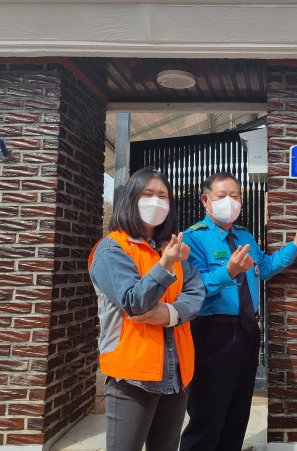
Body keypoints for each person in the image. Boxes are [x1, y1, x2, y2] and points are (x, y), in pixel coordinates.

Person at [180, 171, 297, 451]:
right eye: (222, 195)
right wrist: (228, 271)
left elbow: (266, 267)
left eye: (235, 195)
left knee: (238, 410)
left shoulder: (245, 236)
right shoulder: (193, 238)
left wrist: (295, 246)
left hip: (248, 329)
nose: (230, 201)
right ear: (205, 200)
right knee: (208, 411)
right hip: (213, 332)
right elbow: (194, 287)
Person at [88, 167, 205, 451]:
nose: (156, 201)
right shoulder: (111, 249)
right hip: (133, 375)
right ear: (131, 199)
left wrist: (171, 314)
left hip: (176, 373)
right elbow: (134, 302)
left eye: (163, 196)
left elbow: (196, 291)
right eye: (148, 194)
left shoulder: (170, 247)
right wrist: (165, 265)